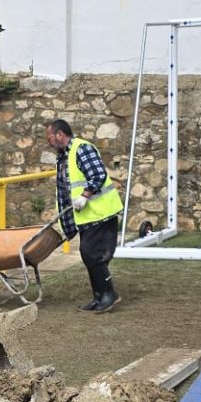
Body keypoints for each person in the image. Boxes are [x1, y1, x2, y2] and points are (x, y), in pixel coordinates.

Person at [46, 119, 123, 313]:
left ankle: (108, 295)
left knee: (91, 253)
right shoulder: (64, 155)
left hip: (100, 211)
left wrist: (84, 195)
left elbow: (98, 175)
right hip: (86, 215)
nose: (49, 141)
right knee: (88, 254)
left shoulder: (81, 149)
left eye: (50, 137)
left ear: (60, 134)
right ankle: (99, 297)